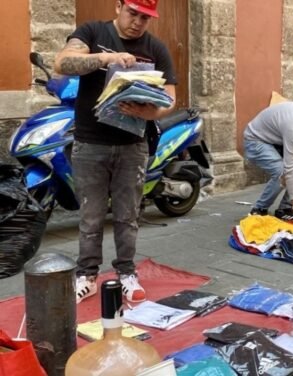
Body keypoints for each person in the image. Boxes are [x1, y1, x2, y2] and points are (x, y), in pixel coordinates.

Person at [54, 0, 177, 304]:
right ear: (119, 6)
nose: (137, 22)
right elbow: (62, 63)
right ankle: (87, 275)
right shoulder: (93, 32)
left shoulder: (156, 48)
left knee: (127, 216)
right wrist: (103, 60)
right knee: (91, 216)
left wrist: (149, 113)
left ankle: (126, 273)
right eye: (132, 13)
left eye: (145, 17)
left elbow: (170, 99)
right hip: (89, 142)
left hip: (132, 145)